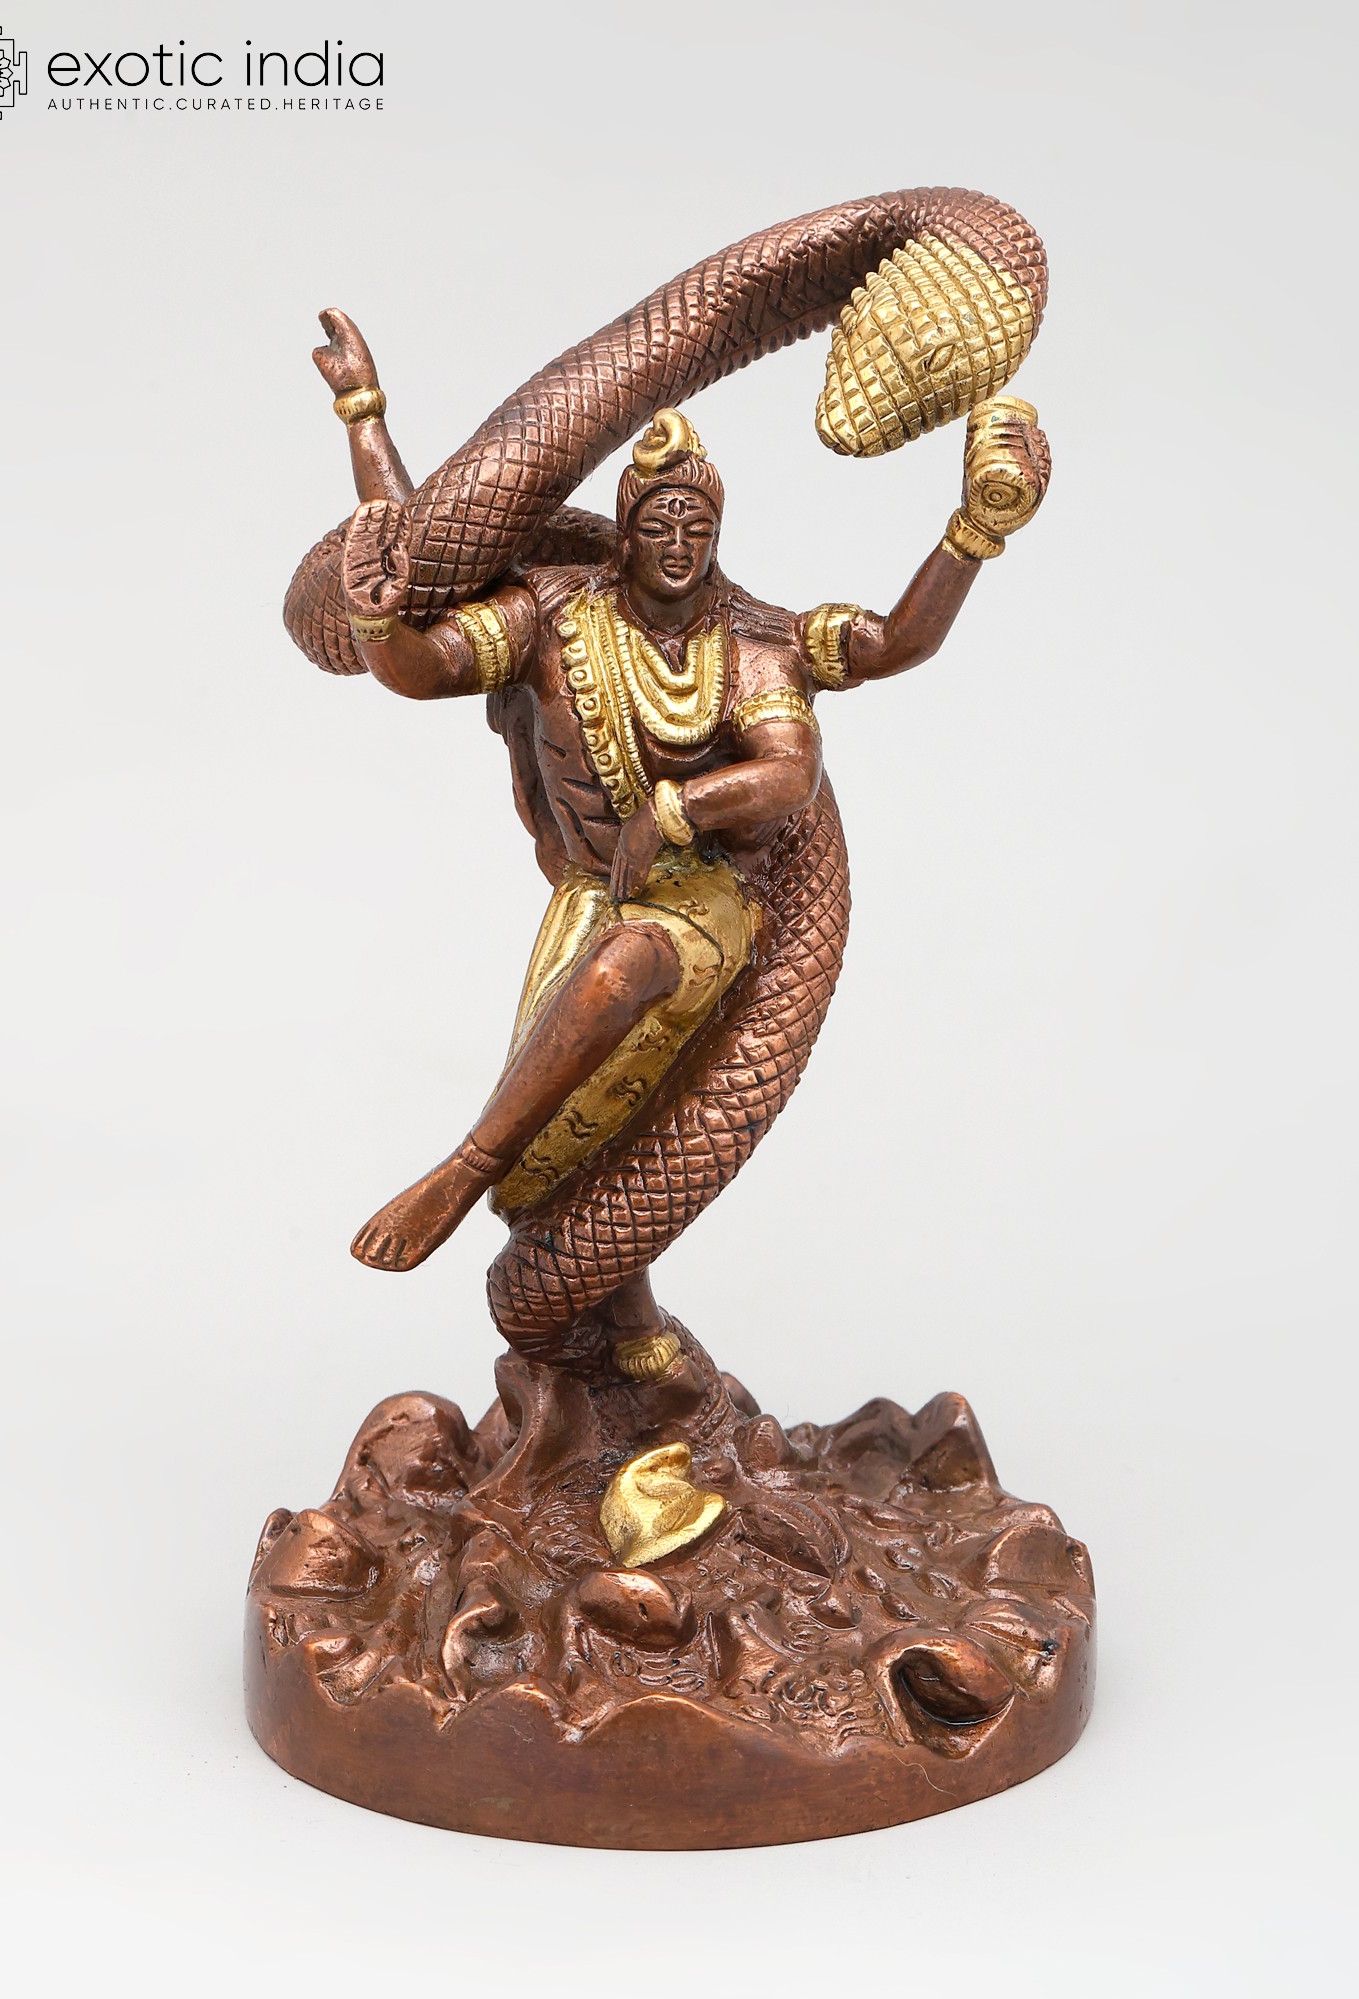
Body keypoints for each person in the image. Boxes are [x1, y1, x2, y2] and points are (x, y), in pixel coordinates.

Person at [309, 309, 1049, 1282]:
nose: (677, 543)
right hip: (591, 896)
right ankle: (610, 1332)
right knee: (562, 1152)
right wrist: (366, 446)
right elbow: (423, 629)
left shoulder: (751, 642)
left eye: (697, 527)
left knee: (621, 977)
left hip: (701, 903)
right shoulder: (555, 612)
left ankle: (456, 1170)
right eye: (657, 524)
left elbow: (859, 684)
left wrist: (974, 532)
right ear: (623, 533)